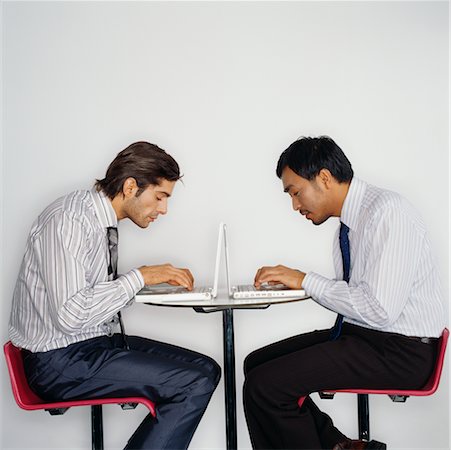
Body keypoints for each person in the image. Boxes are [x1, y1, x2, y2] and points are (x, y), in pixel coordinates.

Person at [9, 141, 221, 450]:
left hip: (91, 345)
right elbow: (71, 314)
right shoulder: (71, 220)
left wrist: (150, 286)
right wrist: (139, 277)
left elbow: (88, 295)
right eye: (160, 196)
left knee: (207, 370)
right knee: (193, 383)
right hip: (58, 361)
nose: (163, 209)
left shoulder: (99, 221)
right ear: (131, 186)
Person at [243, 136, 445, 450]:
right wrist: (301, 284)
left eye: (296, 192)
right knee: (256, 365)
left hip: (401, 351)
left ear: (324, 178)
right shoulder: (351, 223)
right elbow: (357, 298)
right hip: (368, 337)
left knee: (266, 386)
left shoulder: (387, 212)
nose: (295, 205)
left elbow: (379, 309)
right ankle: (339, 446)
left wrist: (306, 281)